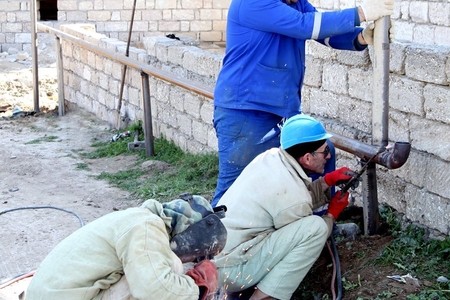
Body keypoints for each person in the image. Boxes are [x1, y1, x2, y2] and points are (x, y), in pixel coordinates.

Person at [210, 0, 394, 207]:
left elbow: (322, 32)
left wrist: (360, 37)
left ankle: (318, 224)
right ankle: (216, 236)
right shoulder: (253, 2)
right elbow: (306, 25)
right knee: (234, 188)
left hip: (282, 111)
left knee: (323, 154)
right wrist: (361, 12)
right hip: (246, 110)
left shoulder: (295, 2)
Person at [214, 114, 355, 300]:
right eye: (324, 152)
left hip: (216, 259)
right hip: (233, 271)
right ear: (306, 158)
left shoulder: (271, 158)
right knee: (316, 228)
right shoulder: (294, 199)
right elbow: (301, 222)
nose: (328, 156)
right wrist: (332, 214)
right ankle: (264, 297)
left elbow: (288, 201)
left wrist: (327, 181)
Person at [26, 195, 223, 300]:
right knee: (168, 270)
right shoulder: (146, 226)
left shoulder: (135, 219)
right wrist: (197, 288)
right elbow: (154, 289)